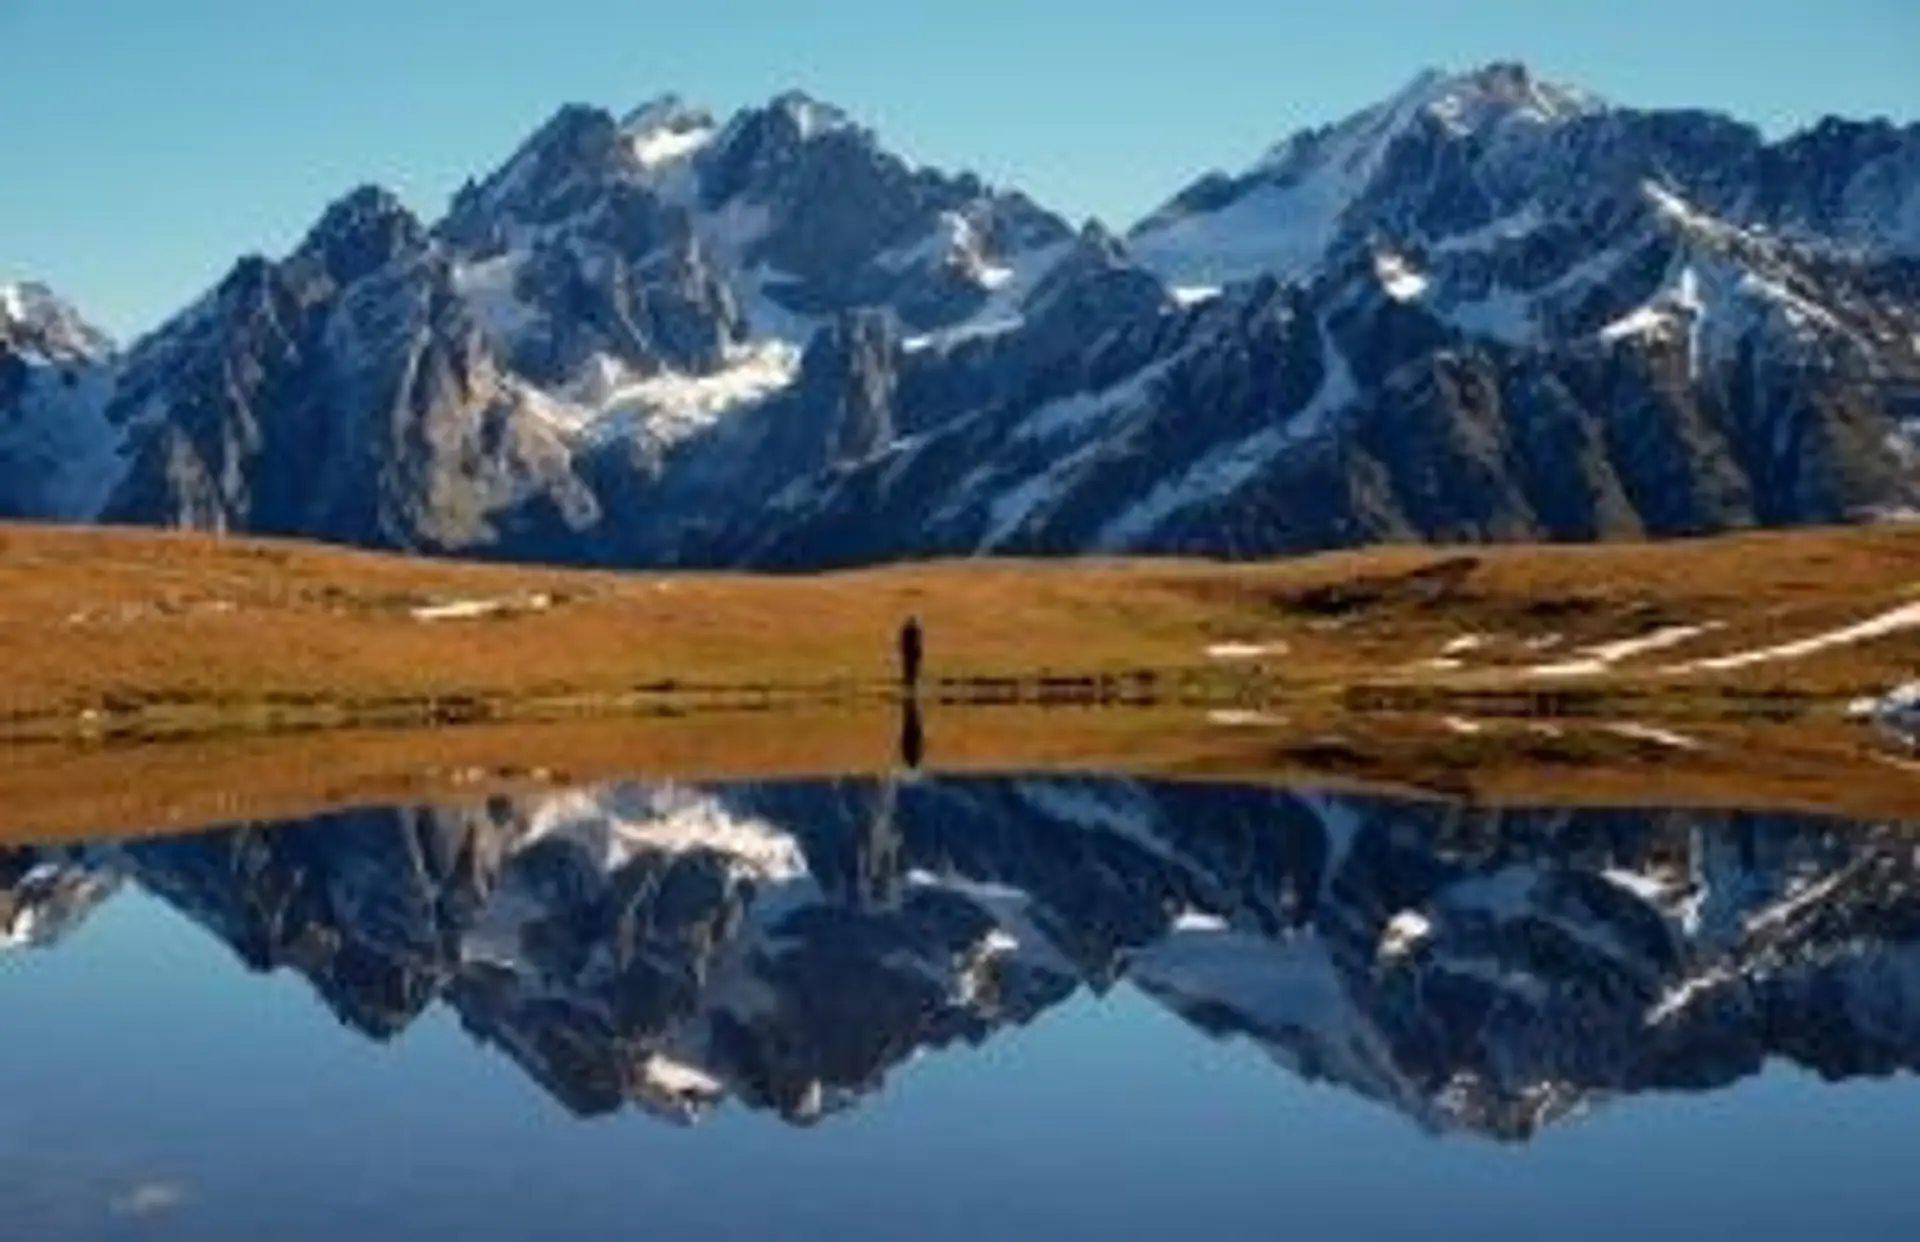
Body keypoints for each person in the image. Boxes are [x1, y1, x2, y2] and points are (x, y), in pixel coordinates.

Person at [898, 615, 924, 692]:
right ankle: (911, 681)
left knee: (909, 668)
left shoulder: (907, 631)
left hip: (908, 653)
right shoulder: (914, 631)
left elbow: (904, 644)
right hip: (911, 653)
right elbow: (917, 643)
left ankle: (909, 681)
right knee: (912, 668)